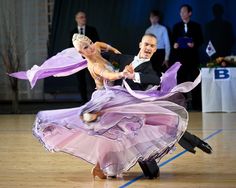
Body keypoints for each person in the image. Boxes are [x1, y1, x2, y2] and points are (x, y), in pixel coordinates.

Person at [10, 34, 193, 179]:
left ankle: (106, 166)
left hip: (117, 95)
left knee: (116, 130)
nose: (90, 47)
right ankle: (104, 157)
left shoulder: (96, 47)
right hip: (105, 96)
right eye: (85, 48)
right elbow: (109, 75)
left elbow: (101, 44)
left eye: (89, 43)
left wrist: (113, 49)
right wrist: (122, 73)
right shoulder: (94, 64)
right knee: (112, 127)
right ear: (81, 53)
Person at [103, 33, 212, 178]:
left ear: (155, 50)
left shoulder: (150, 68)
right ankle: (111, 166)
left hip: (136, 110)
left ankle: (191, 141)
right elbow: (101, 54)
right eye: (146, 44)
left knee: (152, 170)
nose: (148, 47)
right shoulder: (125, 58)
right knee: (113, 135)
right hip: (117, 106)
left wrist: (133, 76)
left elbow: (155, 80)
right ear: (140, 44)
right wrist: (94, 48)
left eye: (152, 46)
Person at [171, 4, 204, 110]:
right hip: (180, 58)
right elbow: (172, 40)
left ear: (190, 13)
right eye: (181, 12)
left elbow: (201, 40)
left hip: (193, 58)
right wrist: (174, 45)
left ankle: (197, 105)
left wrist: (194, 44)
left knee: (195, 80)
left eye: (184, 12)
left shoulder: (196, 26)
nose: (182, 14)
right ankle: (182, 104)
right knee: (181, 80)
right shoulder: (176, 26)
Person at [70, 11, 100, 104]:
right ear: (76, 19)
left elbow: (97, 43)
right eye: (81, 17)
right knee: (81, 81)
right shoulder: (73, 32)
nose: (83, 19)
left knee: (93, 80)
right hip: (79, 61)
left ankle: (95, 100)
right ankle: (84, 102)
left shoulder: (92, 30)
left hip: (91, 60)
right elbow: (70, 47)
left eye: (84, 17)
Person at [145, 10, 171, 76]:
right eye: (152, 17)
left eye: (155, 18)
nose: (153, 19)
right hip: (150, 52)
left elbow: (167, 44)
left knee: (159, 73)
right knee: (149, 72)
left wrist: (166, 58)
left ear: (158, 19)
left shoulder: (163, 29)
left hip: (160, 53)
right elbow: (145, 45)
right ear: (149, 18)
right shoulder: (148, 30)